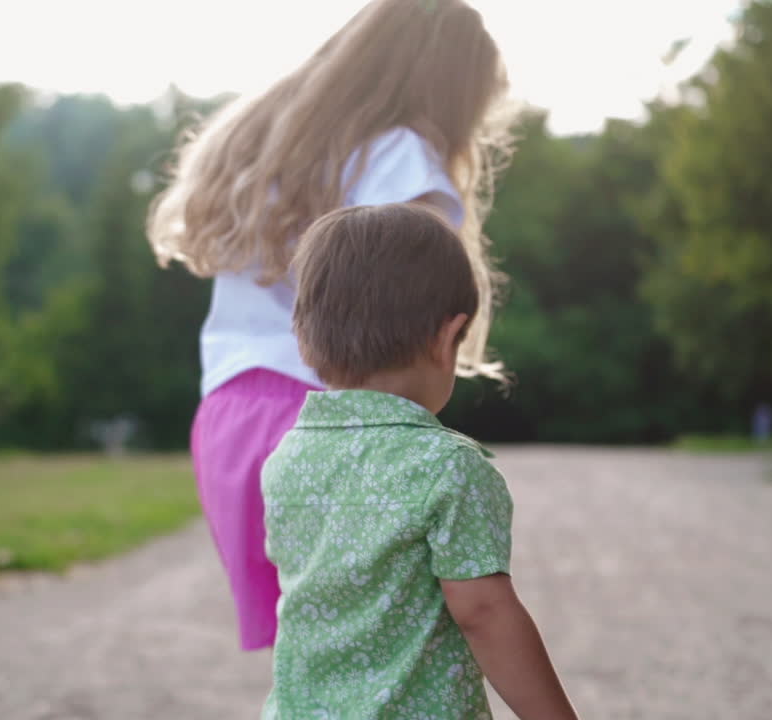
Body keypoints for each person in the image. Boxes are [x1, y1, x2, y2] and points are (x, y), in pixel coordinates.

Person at [146, 0, 512, 651]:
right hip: (337, 417)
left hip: (232, 422)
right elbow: (413, 296)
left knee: (318, 654)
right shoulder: (399, 156)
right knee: (398, 653)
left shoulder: (266, 142)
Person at [262, 204, 576, 719]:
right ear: (447, 338)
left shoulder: (287, 457)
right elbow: (483, 612)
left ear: (304, 338)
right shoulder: (448, 468)